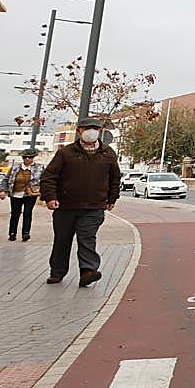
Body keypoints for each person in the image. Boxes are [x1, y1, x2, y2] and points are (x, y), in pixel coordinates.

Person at [39, 117, 121, 287]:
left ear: (99, 131)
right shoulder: (66, 153)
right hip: (65, 206)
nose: (91, 131)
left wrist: (112, 198)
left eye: (95, 128)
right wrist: (50, 197)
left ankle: (88, 272)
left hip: (94, 207)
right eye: (87, 128)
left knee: (87, 238)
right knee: (62, 240)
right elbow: (49, 176)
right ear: (79, 131)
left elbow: (115, 178)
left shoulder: (108, 153)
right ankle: (57, 272)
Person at [0, 149, 44, 241]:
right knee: (15, 214)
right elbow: (6, 179)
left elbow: (44, 180)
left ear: (33, 158)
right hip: (15, 194)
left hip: (30, 194)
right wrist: (2, 190)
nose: (27, 159)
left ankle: (26, 233)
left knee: (27, 213)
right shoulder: (15, 167)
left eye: (30, 157)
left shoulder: (39, 168)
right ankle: (12, 233)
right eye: (25, 157)